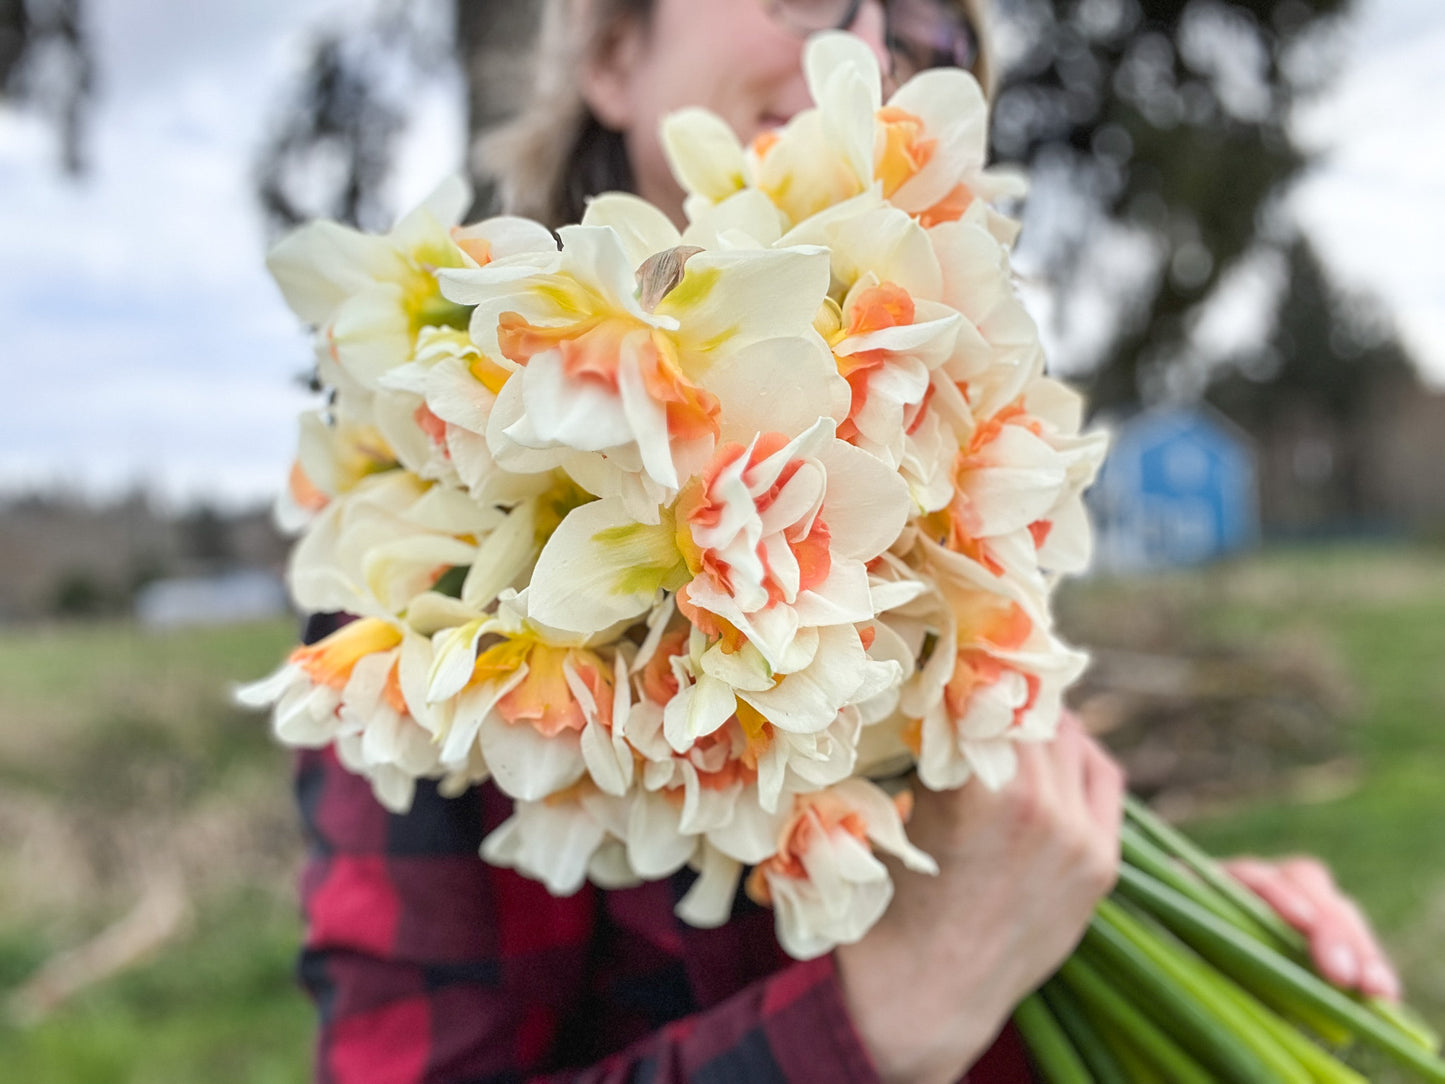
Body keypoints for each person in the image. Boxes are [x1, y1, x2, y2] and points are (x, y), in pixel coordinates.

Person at [294, 2, 1400, 1081]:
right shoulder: (428, 588)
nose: (865, 48)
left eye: (927, 33)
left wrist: (1178, 933)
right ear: (614, 53)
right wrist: (879, 1020)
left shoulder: (930, 467)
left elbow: (983, 893)